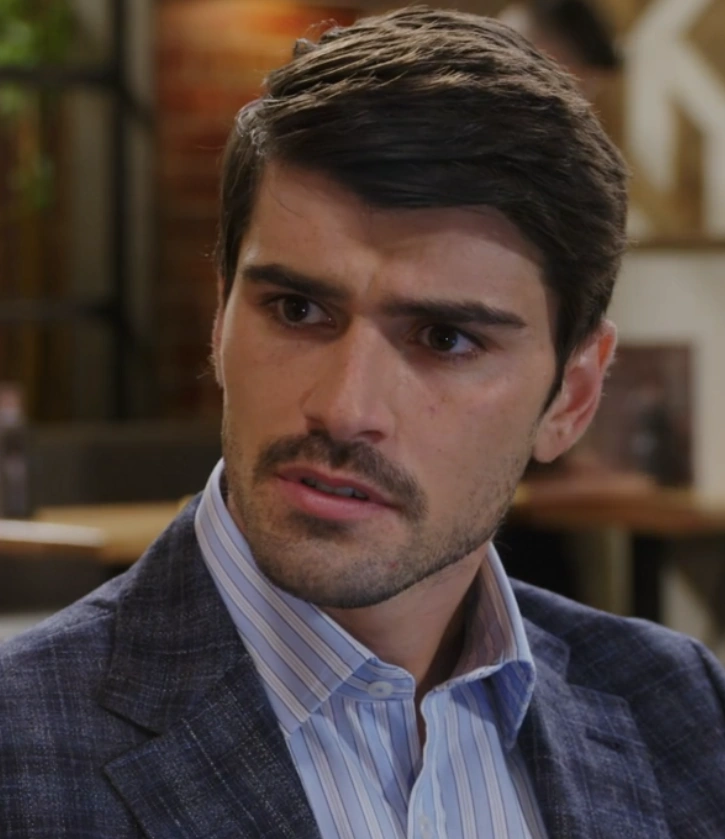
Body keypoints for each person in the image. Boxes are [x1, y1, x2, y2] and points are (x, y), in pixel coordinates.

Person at [1, 6, 724, 838]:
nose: (345, 409)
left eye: (444, 338)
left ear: (571, 397)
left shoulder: (676, 707)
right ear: (220, 317)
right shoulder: (21, 747)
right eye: (296, 308)